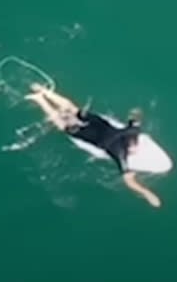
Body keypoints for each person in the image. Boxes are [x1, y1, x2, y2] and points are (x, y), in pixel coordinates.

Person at [24, 83, 162, 208]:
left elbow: (135, 116)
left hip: (97, 123)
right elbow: (130, 182)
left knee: (72, 109)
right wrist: (146, 193)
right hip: (89, 134)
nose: (135, 150)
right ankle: (40, 98)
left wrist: (136, 112)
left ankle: (43, 93)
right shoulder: (120, 154)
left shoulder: (131, 133)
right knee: (63, 123)